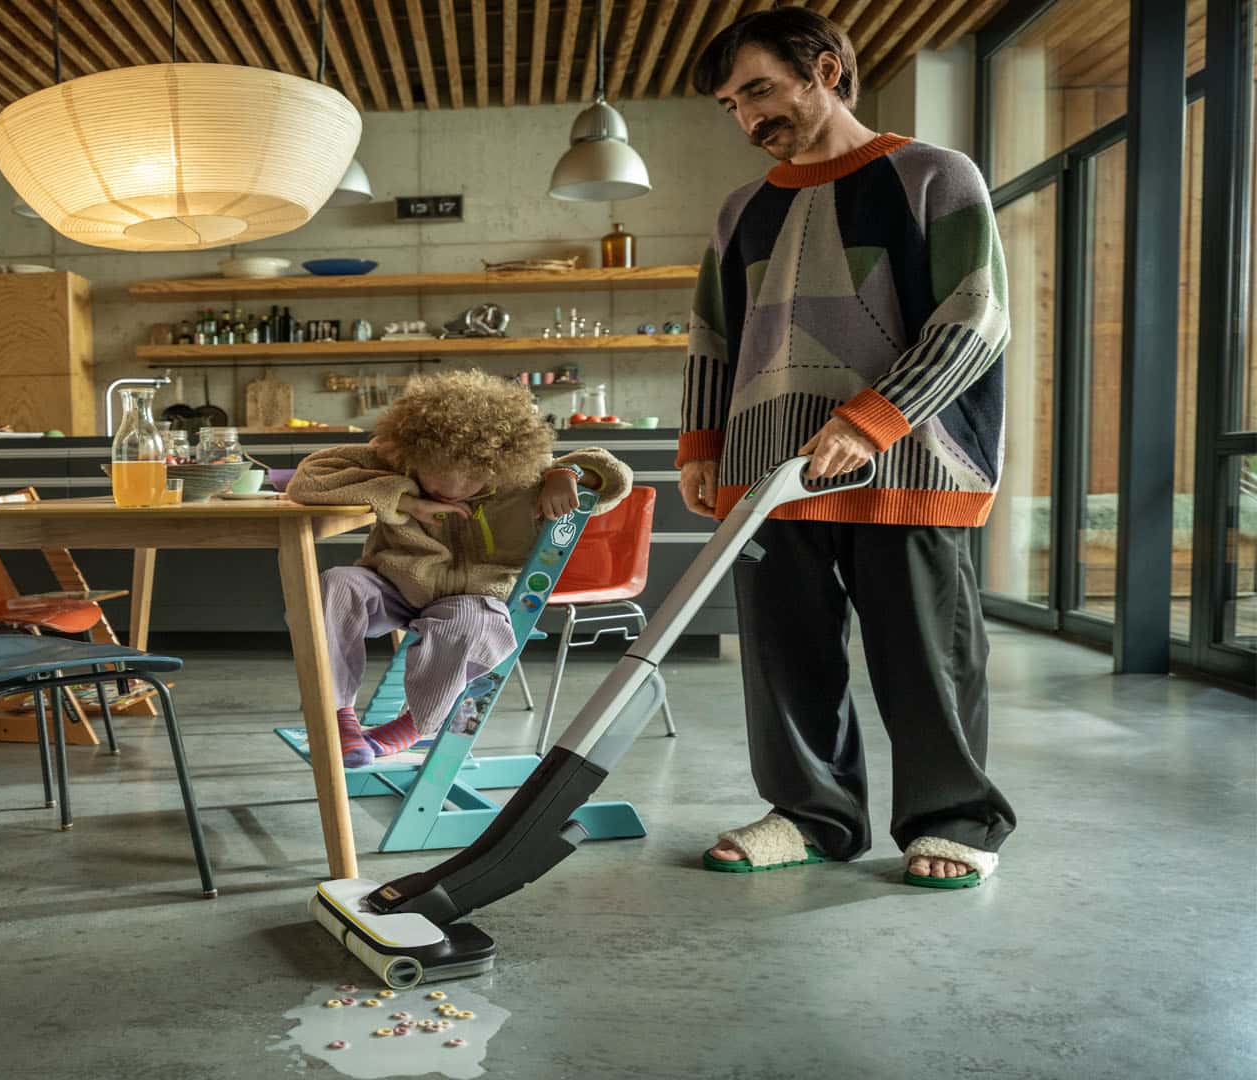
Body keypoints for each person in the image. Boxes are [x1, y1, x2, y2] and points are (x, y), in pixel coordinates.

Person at [681, 8, 1014, 888]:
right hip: (766, 470)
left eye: (759, 89)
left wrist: (872, 420)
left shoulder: (934, 176)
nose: (749, 118)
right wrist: (702, 444)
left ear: (826, 70)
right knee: (785, 656)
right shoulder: (740, 211)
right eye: (732, 105)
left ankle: (953, 819)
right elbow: (713, 335)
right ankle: (810, 816)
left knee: (925, 655)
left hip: (909, 460)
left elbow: (976, 316)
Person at [286, 370, 632, 766]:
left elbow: (616, 475)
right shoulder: (396, 460)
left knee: (470, 623)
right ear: (413, 455)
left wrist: (566, 473)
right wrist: (406, 500)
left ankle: (413, 726)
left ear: (500, 464)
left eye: (472, 480)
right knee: (335, 584)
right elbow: (308, 478)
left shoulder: (524, 477)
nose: (452, 490)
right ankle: (337, 716)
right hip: (394, 585)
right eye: (434, 477)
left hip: (475, 598)